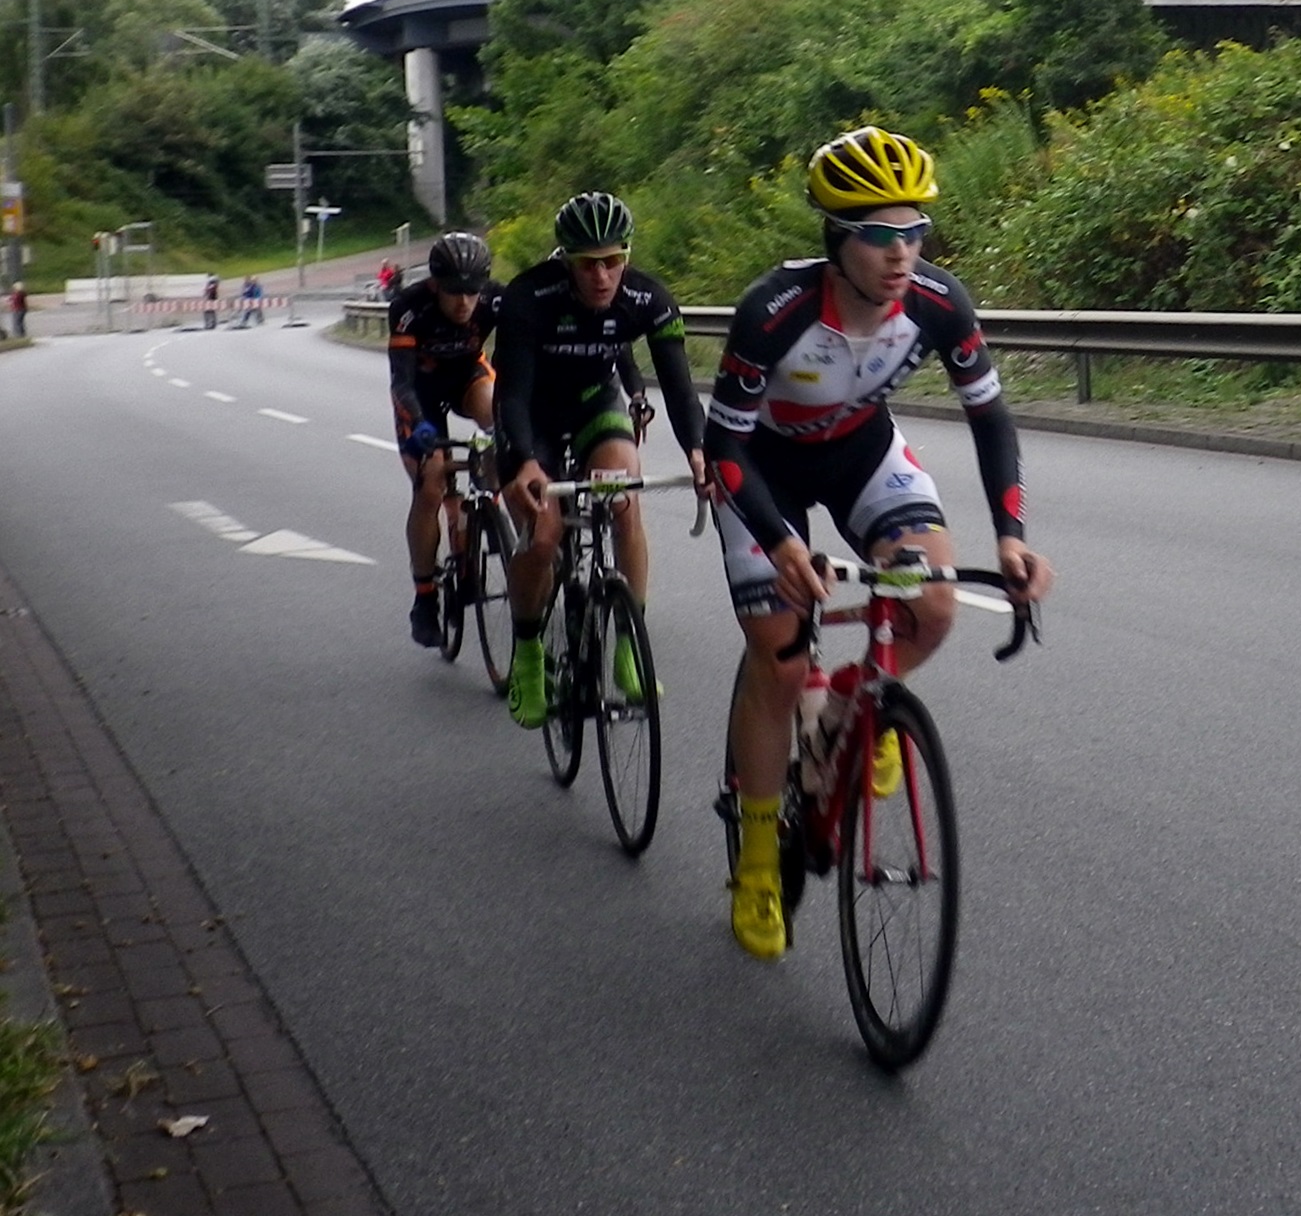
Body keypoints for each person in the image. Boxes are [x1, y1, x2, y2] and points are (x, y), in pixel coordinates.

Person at [709, 127, 1054, 960]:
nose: (902, 252)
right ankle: (757, 861)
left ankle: (850, 706)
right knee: (780, 659)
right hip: (762, 470)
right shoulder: (775, 311)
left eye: (915, 231)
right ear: (837, 240)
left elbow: (991, 419)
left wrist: (1011, 537)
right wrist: (780, 543)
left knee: (933, 605)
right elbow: (723, 447)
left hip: (862, 454)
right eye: (878, 234)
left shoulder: (938, 301)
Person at [492, 192, 707, 731]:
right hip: (533, 415)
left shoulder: (648, 297)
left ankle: (629, 646)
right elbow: (510, 394)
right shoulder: (529, 296)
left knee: (625, 503)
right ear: (566, 260)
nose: (602, 275)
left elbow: (680, 391)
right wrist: (524, 462)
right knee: (543, 535)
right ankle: (528, 654)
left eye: (613, 260)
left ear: (627, 256)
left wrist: (699, 451)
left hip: (595, 404)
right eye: (588, 264)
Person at [389, 233, 501, 648]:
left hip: (467, 376)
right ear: (435, 284)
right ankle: (424, 598)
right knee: (431, 485)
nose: (465, 303)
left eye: (473, 292)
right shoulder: (409, 307)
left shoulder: (495, 299)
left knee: (500, 417)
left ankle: (489, 509)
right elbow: (401, 383)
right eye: (454, 292)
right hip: (420, 395)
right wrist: (418, 424)